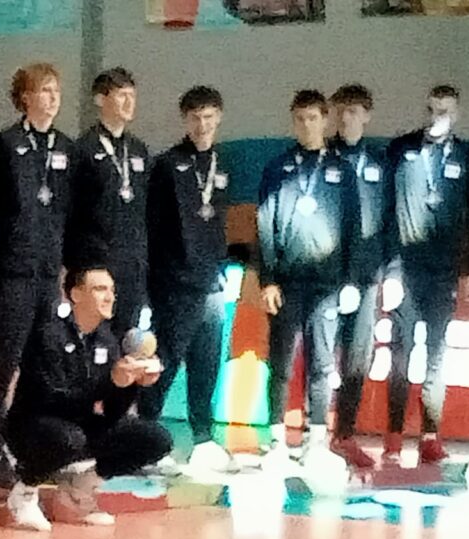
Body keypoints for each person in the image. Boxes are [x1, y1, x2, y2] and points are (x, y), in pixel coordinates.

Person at [0, 63, 74, 488]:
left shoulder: (66, 148)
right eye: (43, 90)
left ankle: (33, 448)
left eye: (56, 90)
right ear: (25, 97)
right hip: (13, 276)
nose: (52, 97)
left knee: (43, 367)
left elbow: (69, 211)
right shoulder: (4, 145)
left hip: (48, 277)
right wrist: (0, 261)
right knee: (2, 365)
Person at [6, 267, 171, 531]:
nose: (110, 297)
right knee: (70, 438)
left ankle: (79, 488)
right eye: (100, 289)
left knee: (155, 438)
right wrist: (108, 382)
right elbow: (51, 398)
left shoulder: (106, 339)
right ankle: (25, 490)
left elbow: (112, 412)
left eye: (112, 290)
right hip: (32, 425)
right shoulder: (49, 334)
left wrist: (131, 384)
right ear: (76, 294)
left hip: (78, 424)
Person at [382, 85, 469, 464]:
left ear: (455, 114)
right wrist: (389, 269)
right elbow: (384, 210)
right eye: (431, 109)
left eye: (444, 110)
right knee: (399, 354)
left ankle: (430, 436)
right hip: (404, 272)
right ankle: (394, 436)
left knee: (436, 357)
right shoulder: (400, 150)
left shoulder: (467, 157)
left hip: (443, 273)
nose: (436, 116)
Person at [256, 89, 361, 468]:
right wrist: (267, 280)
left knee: (322, 363)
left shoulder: (342, 171)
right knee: (281, 363)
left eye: (313, 118)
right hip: (286, 282)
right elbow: (265, 225)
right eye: (299, 119)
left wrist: (350, 280)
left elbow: (353, 228)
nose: (306, 125)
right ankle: (275, 441)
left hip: (327, 284)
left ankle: (317, 439)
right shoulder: (277, 168)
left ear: (325, 120)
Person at [140, 86, 233, 472]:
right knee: (165, 360)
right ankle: (145, 436)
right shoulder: (167, 165)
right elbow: (151, 226)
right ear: (185, 120)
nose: (202, 124)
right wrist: (153, 283)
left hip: (211, 282)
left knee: (207, 362)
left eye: (208, 116)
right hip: (175, 283)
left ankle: (204, 438)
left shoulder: (224, 163)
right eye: (195, 117)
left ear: (219, 117)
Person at [64, 67, 151, 341]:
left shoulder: (138, 150)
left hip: (132, 265)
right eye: (121, 95)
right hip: (96, 264)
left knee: (127, 340)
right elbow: (69, 210)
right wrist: (76, 263)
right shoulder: (83, 150)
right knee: (95, 339)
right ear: (100, 99)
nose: (129, 102)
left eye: (132, 96)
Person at [327, 84, 385, 469]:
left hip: (366, 277)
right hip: (328, 275)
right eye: (342, 111)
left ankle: (344, 434)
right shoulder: (323, 157)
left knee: (358, 358)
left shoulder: (380, 162)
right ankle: (313, 433)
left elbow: (391, 217)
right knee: (321, 356)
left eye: (354, 111)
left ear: (367, 115)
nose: (347, 118)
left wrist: (389, 270)